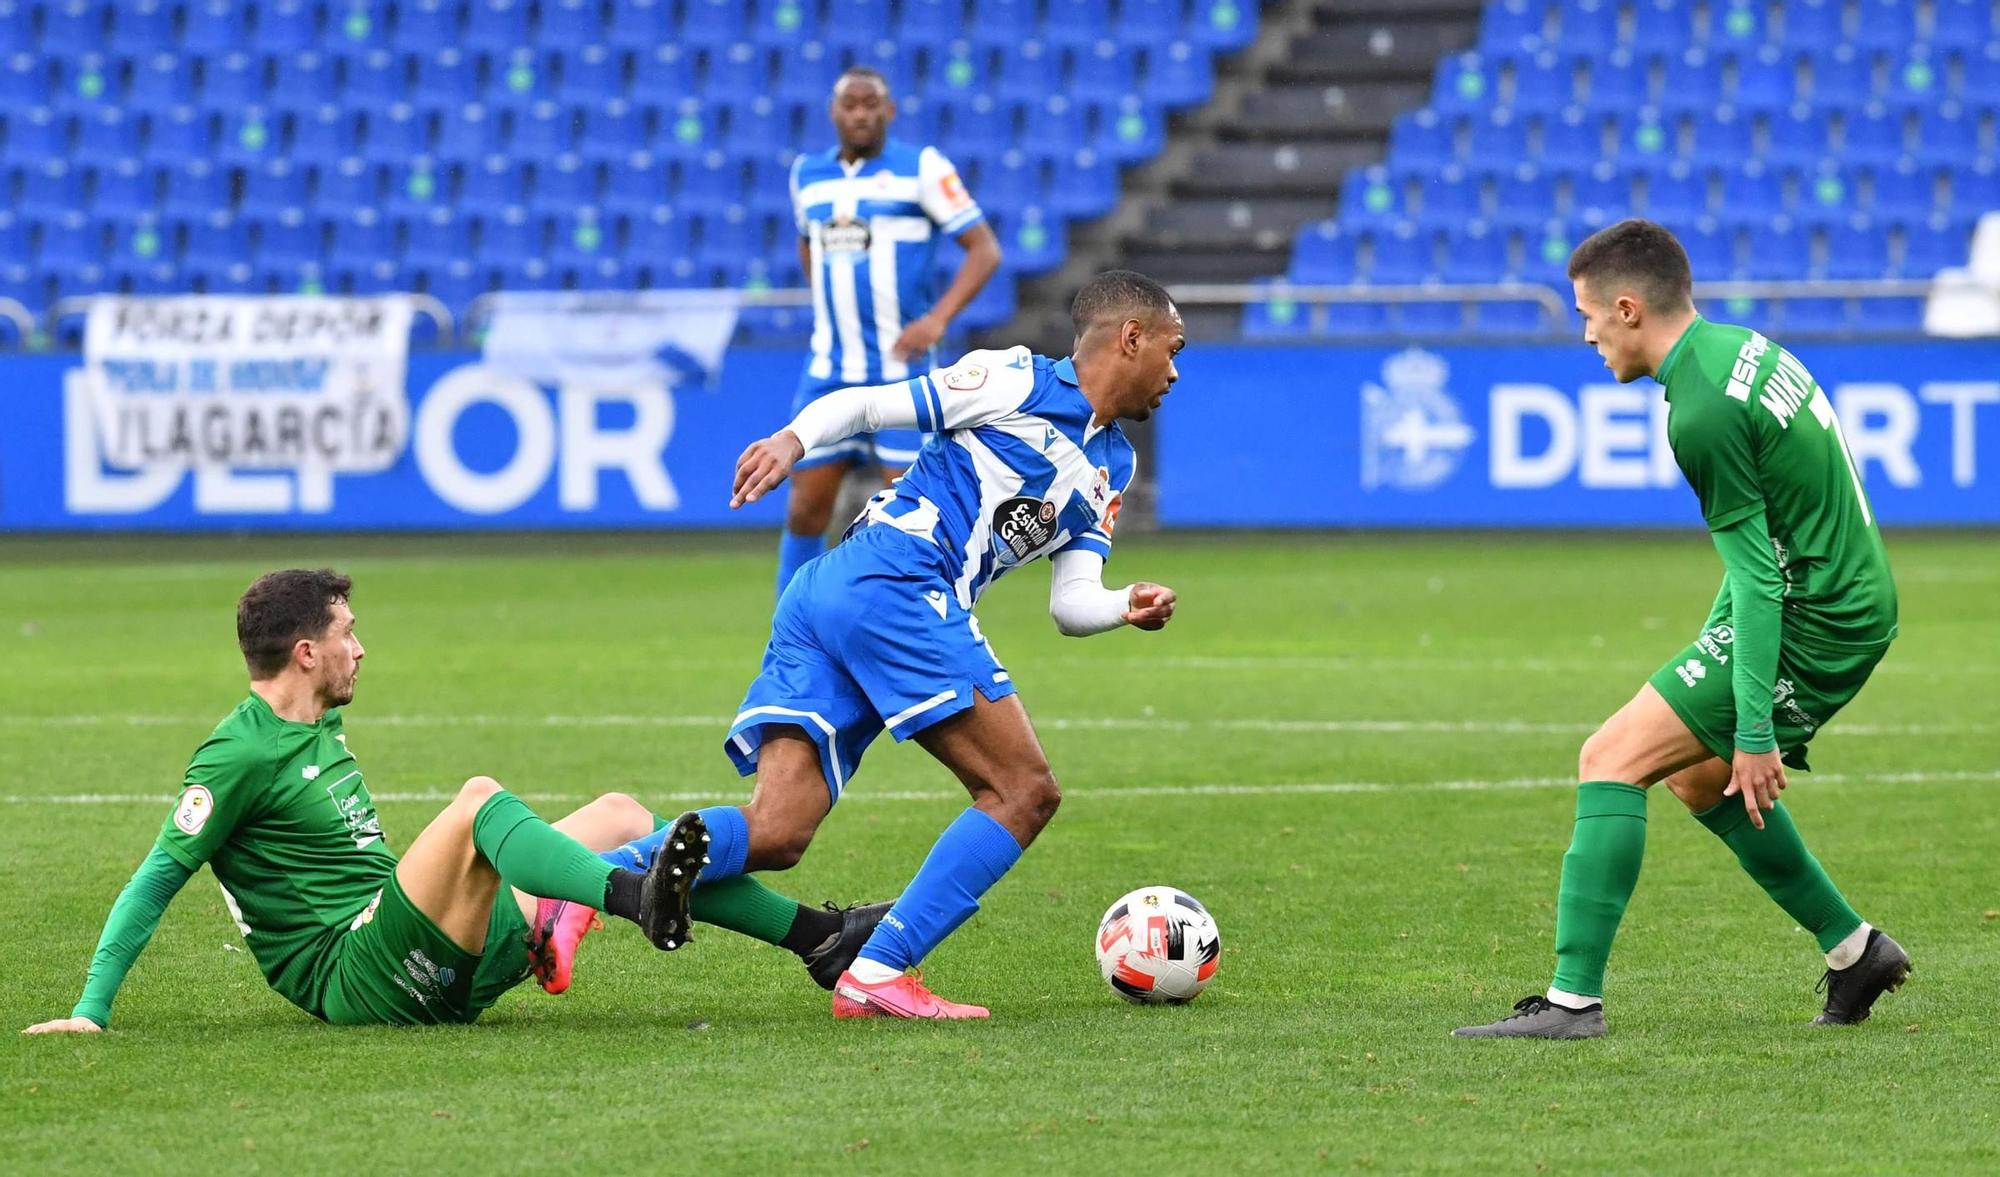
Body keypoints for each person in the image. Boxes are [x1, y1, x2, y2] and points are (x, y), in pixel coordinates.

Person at [636, 269, 1183, 1020]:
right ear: (1131, 338)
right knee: (1023, 790)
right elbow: (866, 403)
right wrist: (793, 439)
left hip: (835, 594)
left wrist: (1126, 605)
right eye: (1172, 349)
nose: (1175, 372)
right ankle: (879, 969)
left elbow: (1070, 600)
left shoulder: (1110, 466)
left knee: (777, 828)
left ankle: (561, 892)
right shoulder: (1013, 378)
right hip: (897, 584)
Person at [23, 569, 886, 1033]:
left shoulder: (315, 726)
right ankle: (628, 900)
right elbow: (154, 879)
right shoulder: (239, 752)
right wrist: (89, 1012)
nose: (362, 647)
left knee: (625, 814)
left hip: (411, 940)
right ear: (304, 653)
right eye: (346, 632)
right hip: (356, 975)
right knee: (479, 802)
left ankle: (818, 939)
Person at [1454, 220, 1909, 1040]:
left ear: (1629, 308)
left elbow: (1763, 577)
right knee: (1697, 777)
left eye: (1589, 313)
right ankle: (1856, 951)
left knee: (1610, 757)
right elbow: (1764, 554)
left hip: (1822, 614)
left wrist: (1757, 728)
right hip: (1838, 591)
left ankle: (1572, 1002)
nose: (1586, 333)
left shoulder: (1698, 411)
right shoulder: (1742, 348)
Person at [776, 64, 1004, 597]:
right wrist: (828, 304)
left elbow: (984, 248)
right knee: (806, 509)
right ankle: (788, 638)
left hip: (900, 374)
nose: (860, 113)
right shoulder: (807, 174)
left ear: (889, 111)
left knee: (915, 516)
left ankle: (925, 623)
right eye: (849, 105)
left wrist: (938, 318)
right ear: (833, 112)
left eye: (870, 104)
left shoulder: (921, 168)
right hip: (828, 368)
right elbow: (807, 240)